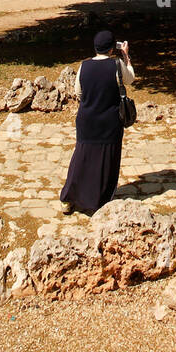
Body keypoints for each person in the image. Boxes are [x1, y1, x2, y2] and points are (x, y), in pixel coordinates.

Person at [59, 29, 135, 216]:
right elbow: (130, 79)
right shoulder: (116, 65)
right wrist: (126, 57)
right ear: (111, 49)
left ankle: (69, 197)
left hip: (87, 120)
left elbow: (79, 93)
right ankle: (98, 199)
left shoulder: (84, 66)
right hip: (110, 121)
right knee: (106, 160)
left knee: (81, 158)